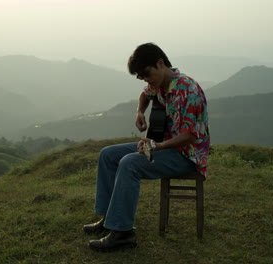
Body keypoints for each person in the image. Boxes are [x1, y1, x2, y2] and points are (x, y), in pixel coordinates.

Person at [84, 43, 210, 252]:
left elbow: (190, 136)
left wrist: (157, 145)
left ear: (160, 63)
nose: (145, 79)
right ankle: (109, 219)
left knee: (130, 163)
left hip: (187, 156)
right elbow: (145, 95)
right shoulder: (160, 84)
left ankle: (123, 234)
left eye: (146, 74)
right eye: (141, 77)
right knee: (107, 154)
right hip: (163, 147)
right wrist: (139, 112)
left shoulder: (188, 90)